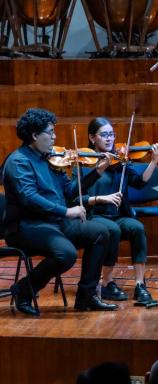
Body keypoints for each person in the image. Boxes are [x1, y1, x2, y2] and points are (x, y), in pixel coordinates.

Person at [3, 108, 117, 315]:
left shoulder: (50, 159)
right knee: (65, 254)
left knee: (100, 232)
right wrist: (66, 212)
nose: (55, 136)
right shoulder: (18, 161)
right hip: (25, 226)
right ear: (35, 135)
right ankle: (24, 290)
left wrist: (98, 171)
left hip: (52, 222)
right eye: (51, 132)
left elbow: (71, 191)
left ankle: (86, 297)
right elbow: (29, 198)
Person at [78, 117, 158, 305]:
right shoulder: (84, 164)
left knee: (137, 228)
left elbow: (140, 182)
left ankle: (140, 284)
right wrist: (100, 175)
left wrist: (154, 160)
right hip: (94, 217)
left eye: (112, 134)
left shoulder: (121, 162)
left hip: (118, 215)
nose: (109, 139)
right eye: (104, 135)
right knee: (113, 230)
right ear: (93, 139)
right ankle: (107, 282)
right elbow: (76, 194)